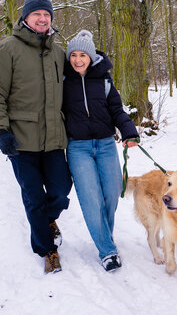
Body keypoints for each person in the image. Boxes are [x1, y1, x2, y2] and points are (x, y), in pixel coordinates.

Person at [0, 0, 72, 274]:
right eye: (37, 14)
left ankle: (48, 219)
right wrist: (1, 130)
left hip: (54, 138)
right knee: (33, 197)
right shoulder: (6, 49)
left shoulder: (59, 53)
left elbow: (74, 88)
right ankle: (48, 250)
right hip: (20, 141)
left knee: (60, 191)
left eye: (47, 15)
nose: (43, 19)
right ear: (25, 18)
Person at [62, 30, 139, 272]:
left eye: (82, 54)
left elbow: (116, 109)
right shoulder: (63, 80)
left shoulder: (104, 79)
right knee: (90, 198)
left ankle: (104, 235)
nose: (77, 60)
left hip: (106, 144)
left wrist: (128, 131)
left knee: (112, 192)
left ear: (91, 56)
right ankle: (107, 250)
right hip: (78, 147)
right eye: (73, 55)